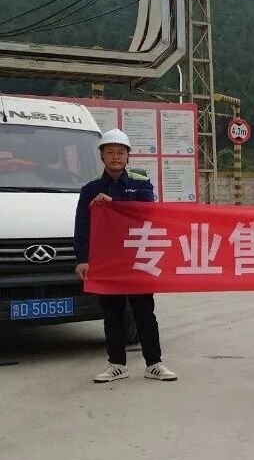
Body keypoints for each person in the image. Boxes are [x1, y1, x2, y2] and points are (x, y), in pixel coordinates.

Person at [73, 129, 177, 384]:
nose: (116, 157)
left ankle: (154, 364)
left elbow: (147, 212)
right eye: (110, 152)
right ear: (102, 156)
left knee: (144, 312)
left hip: (138, 259)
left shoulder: (141, 183)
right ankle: (117, 365)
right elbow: (82, 226)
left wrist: (114, 205)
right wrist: (82, 259)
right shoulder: (90, 189)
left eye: (120, 152)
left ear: (128, 156)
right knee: (113, 314)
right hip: (106, 261)